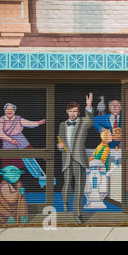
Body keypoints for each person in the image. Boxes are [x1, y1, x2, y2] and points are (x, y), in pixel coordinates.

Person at [57, 93, 93, 224]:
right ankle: (65, 202)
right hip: (66, 159)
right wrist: (59, 146)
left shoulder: (83, 122)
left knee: (79, 187)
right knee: (67, 184)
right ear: (67, 112)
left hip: (79, 159)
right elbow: (60, 142)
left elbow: (90, 121)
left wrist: (88, 107)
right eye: (71, 111)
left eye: (75, 111)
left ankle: (77, 214)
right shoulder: (62, 125)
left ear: (78, 113)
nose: (73, 114)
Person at [0, 103, 46, 167]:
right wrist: (10, 140)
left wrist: (38, 123)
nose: (10, 111)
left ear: (14, 111)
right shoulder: (2, 120)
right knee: (11, 163)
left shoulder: (18, 119)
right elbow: (0, 134)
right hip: (8, 144)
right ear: (5, 111)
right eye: (8, 109)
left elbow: (29, 124)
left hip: (22, 142)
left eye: (11, 109)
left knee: (29, 163)